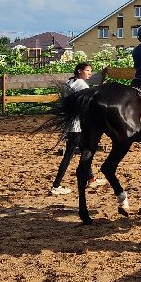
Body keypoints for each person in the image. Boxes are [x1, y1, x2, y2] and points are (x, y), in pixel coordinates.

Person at [51, 61, 95, 196]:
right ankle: (56, 186)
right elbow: (88, 104)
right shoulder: (82, 85)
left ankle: (91, 179)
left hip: (71, 123)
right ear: (80, 71)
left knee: (85, 150)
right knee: (68, 156)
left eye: (90, 71)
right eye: (87, 70)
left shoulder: (70, 82)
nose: (90, 73)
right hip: (77, 125)